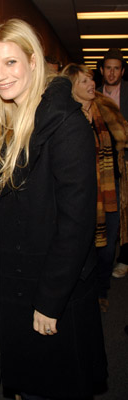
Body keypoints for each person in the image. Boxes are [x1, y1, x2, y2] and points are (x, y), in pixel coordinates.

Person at [0, 19, 107, 400]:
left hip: (51, 291)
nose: (0, 76)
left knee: (53, 386)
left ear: (33, 62)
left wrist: (50, 300)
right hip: (22, 284)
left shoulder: (65, 124)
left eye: (11, 63)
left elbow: (77, 223)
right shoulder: (11, 117)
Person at [62, 63, 128, 312]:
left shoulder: (105, 110)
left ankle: (102, 290)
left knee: (107, 246)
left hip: (109, 190)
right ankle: (82, 294)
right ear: (71, 88)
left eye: (91, 80)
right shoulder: (67, 116)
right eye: (84, 82)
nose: (92, 85)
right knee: (82, 247)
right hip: (80, 195)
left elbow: (121, 137)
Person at [98, 48, 128, 279]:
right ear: (101, 70)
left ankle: (124, 258)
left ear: (122, 71)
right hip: (103, 167)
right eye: (108, 68)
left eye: (116, 68)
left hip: (126, 163)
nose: (111, 72)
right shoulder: (92, 95)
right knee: (108, 213)